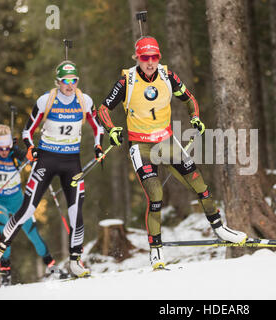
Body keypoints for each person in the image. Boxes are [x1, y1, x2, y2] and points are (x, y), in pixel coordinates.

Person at [96, 36, 247, 270]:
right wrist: (111, 129)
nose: (150, 62)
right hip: (141, 145)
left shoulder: (168, 76)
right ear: (137, 58)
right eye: (145, 57)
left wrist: (194, 117)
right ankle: (155, 250)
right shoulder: (128, 80)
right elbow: (103, 108)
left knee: (199, 183)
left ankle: (220, 228)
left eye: (154, 57)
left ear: (159, 57)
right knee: (155, 195)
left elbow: (190, 99)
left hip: (167, 141)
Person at [0, 61, 104, 278]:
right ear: (58, 82)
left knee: (76, 211)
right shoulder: (46, 100)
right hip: (46, 159)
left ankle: (75, 261)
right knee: (27, 209)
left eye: (73, 80)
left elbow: (98, 126)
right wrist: (31, 149)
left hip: (71, 162)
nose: (69, 85)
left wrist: (98, 145)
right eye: (65, 81)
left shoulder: (85, 101)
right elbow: (27, 130)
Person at [0, 125, 63, 285]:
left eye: (7, 147)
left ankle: (52, 267)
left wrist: (38, 158)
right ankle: (6, 273)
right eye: (1, 148)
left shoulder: (15, 153)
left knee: (33, 234)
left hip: (18, 200)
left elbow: (32, 159)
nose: (4, 151)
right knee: (4, 232)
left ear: (11, 144)